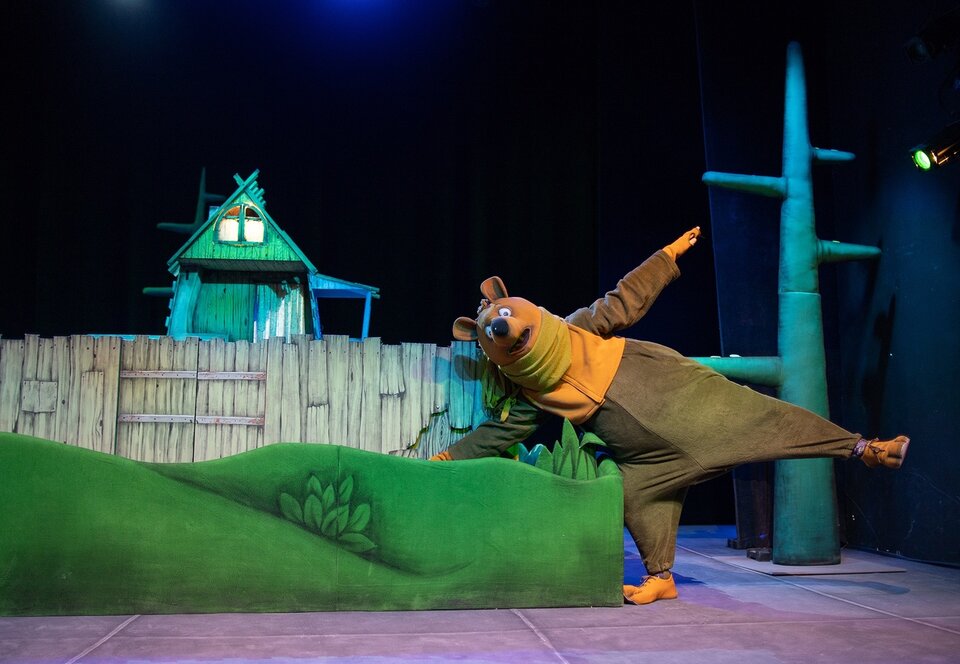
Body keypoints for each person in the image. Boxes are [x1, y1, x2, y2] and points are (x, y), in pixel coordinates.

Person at [429, 226, 910, 605]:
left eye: (504, 316)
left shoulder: (576, 328)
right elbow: (498, 433)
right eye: (495, 332)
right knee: (636, 496)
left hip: (677, 396)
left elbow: (624, 299)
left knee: (763, 416)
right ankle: (661, 577)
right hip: (647, 456)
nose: (504, 328)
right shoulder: (532, 393)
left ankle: (862, 447)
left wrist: (667, 256)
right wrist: (449, 457)